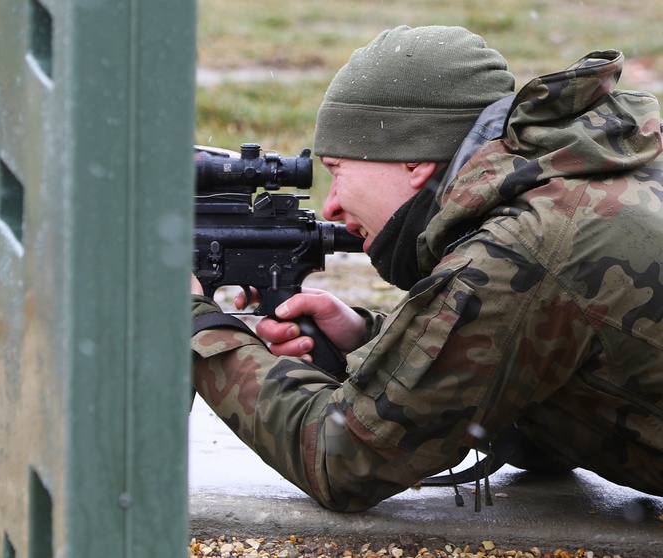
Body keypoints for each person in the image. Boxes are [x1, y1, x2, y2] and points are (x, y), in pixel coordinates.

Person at [190, 24, 663, 512]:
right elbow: (539, 419)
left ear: (410, 159)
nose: (329, 206)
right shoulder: (583, 177)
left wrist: (198, 324)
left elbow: (343, 461)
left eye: (337, 170)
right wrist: (371, 340)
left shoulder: (526, 243)